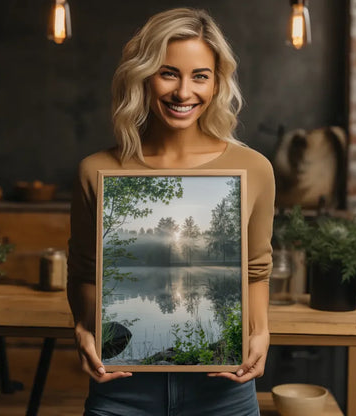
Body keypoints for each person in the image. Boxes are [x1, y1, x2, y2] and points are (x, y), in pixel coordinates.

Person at [67, 7, 275, 416]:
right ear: (142, 76)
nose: (184, 93)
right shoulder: (97, 170)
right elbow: (84, 271)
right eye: (168, 73)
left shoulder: (254, 169)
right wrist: (81, 327)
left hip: (223, 392)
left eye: (200, 76)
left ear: (217, 84)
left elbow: (255, 270)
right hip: (121, 391)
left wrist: (261, 332)